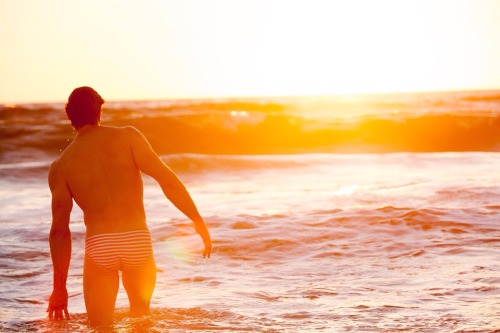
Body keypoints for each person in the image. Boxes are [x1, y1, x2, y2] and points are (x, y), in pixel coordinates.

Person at [47, 86, 212, 326]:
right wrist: (197, 221)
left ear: (69, 115)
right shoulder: (128, 137)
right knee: (141, 321)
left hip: (100, 245)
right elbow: (168, 181)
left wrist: (59, 289)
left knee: (101, 328)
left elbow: (59, 231)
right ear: (99, 111)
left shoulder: (61, 165)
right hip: (137, 240)